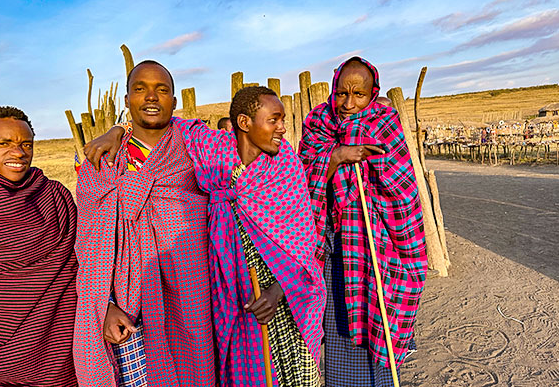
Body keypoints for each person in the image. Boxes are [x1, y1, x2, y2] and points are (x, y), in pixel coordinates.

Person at [85, 85, 326, 387]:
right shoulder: (210, 149)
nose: (282, 128)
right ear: (244, 123)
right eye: (274, 119)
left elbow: (304, 242)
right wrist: (118, 131)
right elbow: (160, 120)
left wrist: (279, 290)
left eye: (283, 120)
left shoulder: (285, 165)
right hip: (232, 293)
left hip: (286, 297)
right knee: (245, 372)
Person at [74, 60, 215, 386]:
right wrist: (104, 306)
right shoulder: (103, 161)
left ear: (174, 102)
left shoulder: (193, 146)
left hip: (193, 296)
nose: (151, 97)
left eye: (161, 89)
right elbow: (90, 245)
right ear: (126, 100)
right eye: (140, 89)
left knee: (196, 372)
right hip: (127, 304)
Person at [298, 57, 427, 387]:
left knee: (377, 324)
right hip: (332, 247)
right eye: (342, 93)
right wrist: (338, 156)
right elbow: (301, 181)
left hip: (377, 247)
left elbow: (403, 189)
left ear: (374, 94)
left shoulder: (385, 123)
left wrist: (373, 166)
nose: (348, 104)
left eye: (358, 95)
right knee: (339, 330)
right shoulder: (317, 123)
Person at [0, 106, 79, 386]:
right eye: (4, 143)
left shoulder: (54, 196)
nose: (18, 152)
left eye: (26, 144)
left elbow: (84, 262)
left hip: (56, 355)